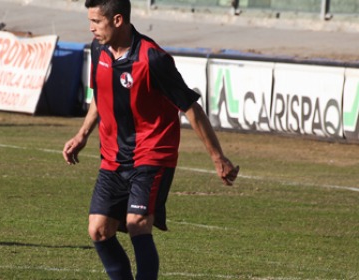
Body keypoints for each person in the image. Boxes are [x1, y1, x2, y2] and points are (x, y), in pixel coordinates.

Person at [62, 0, 239, 279]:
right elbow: (101, 94)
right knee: (98, 229)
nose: (91, 28)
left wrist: (218, 158)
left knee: (137, 223)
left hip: (152, 154)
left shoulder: (153, 59)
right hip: (112, 157)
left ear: (118, 20)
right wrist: (82, 134)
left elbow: (191, 108)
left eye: (96, 21)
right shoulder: (98, 50)